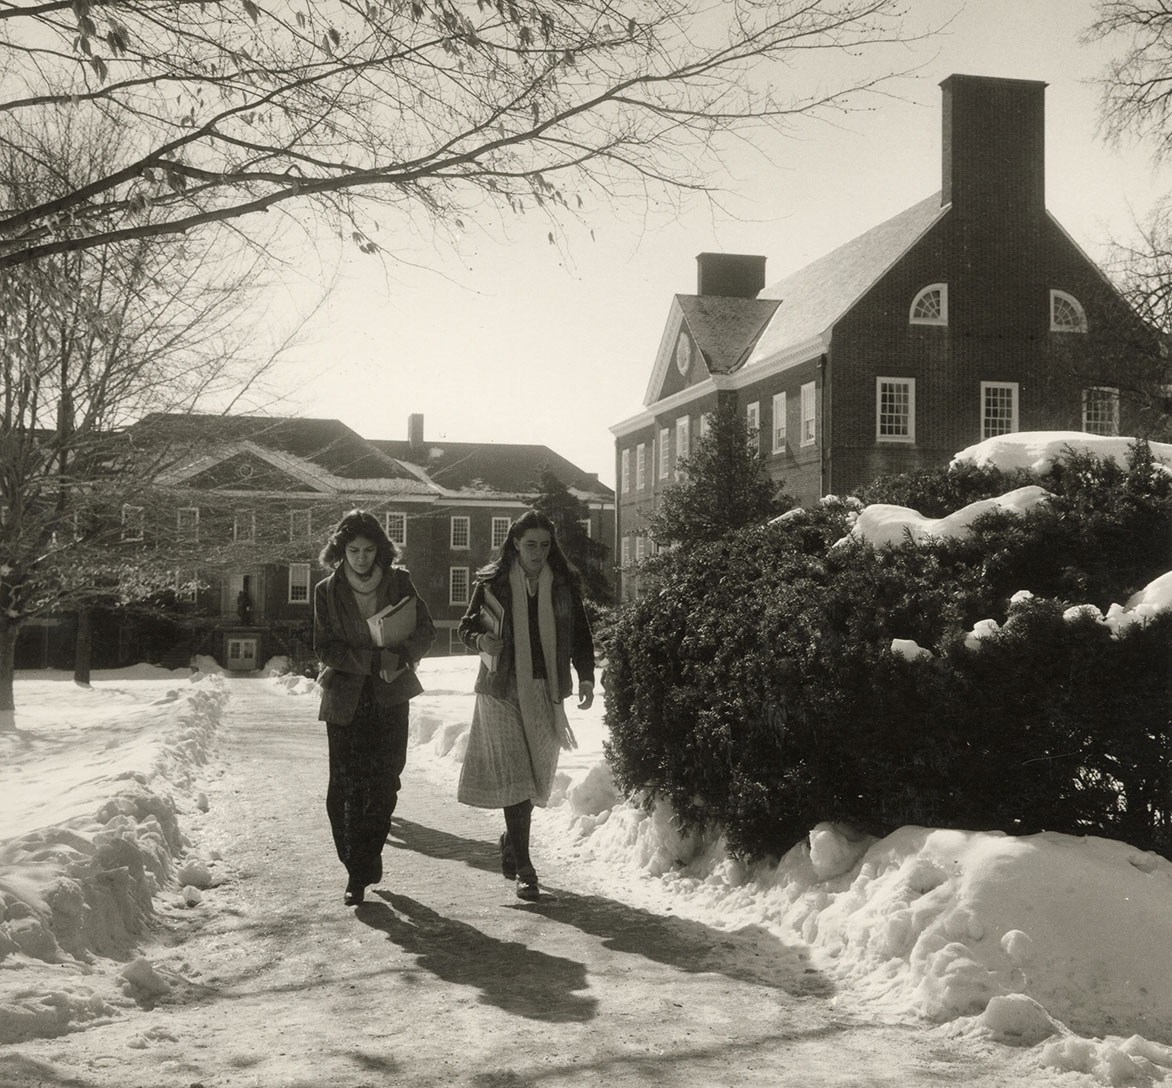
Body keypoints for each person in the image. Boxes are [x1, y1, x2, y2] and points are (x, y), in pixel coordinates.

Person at [457, 509, 595, 901]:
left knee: (536, 778)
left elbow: (581, 634)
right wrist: (481, 642)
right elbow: (468, 626)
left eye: (545, 545)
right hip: (499, 689)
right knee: (516, 775)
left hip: (544, 690)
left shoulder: (564, 584)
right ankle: (525, 867)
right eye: (530, 544)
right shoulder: (493, 582)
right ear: (515, 544)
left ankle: (511, 840)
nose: (537, 552)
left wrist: (585, 676)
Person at [314, 509, 436, 906]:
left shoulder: (399, 582)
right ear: (340, 551)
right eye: (353, 550)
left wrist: (399, 657)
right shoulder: (326, 591)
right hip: (345, 697)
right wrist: (370, 660)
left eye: (369, 550)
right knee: (345, 787)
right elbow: (325, 646)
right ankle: (356, 868)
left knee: (385, 780)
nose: (362, 558)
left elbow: (425, 631)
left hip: (390, 693)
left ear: (380, 550)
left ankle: (368, 855)